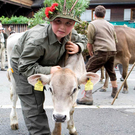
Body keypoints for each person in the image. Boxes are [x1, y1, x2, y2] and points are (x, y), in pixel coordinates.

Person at [9, 0, 88, 134]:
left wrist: (78, 46)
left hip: (48, 63)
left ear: (73, 24)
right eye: (58, 21)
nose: (62, 27)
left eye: (68, 23)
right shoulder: (37, 40)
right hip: (23, 66)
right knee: (34, 104)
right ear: (50, 21)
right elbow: (24, 67)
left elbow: (83, 38)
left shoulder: (69, 34)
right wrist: (49, 70)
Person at [77, 5, 118, 105]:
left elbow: (89, 42)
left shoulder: (93, 24)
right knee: (111, 71)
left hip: (101, 51)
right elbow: (116, 40)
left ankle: (88, 97)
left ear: (94, 14)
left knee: (87, 72)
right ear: (104, 15)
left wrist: (90, 52)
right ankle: (115, 92)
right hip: (112, 50)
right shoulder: (111, 25)